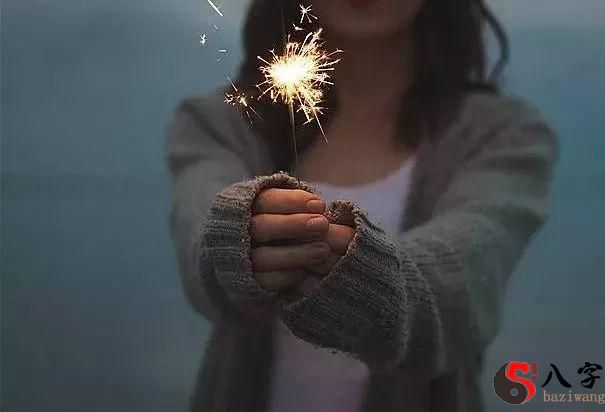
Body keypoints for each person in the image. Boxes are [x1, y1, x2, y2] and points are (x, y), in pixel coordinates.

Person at [166, 0, 558, 411]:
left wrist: (361, 273)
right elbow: (200, 233)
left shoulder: (501, 135)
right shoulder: (222, 121)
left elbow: (467, 278)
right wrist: (236, 236)